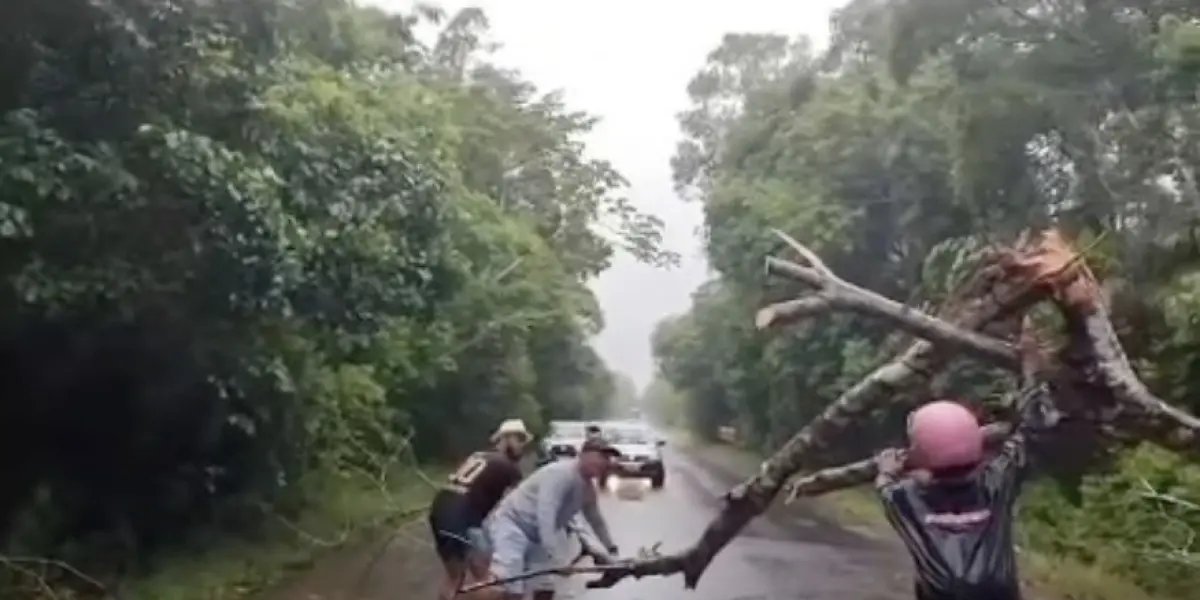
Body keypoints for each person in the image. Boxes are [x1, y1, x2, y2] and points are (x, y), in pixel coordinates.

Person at [875, 386, 1051, 600]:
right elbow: (1023, 440)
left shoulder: (905, 498)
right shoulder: (996, 483)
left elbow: (884, 485)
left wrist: (887, 469)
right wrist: (1015, 415)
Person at [478, 437, 621, 600]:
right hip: (513, 524)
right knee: (510, 584)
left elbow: (596, 521)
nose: (604, 462)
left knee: (545, 587)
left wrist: (611, 550)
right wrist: (556, 558)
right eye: (600, 456)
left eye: (607, 458)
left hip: (537, 535)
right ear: (584, 454)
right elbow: (546, 514)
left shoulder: (587, 488)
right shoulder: (561, 474)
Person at [428, 418, 531, 600]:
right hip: (461, 517)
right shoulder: (510, 468)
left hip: (440, 509)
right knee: (485, 579)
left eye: (523, 440)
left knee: (454, 577)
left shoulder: (478, 455)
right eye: (519, 439)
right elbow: (516, 507)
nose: (521, 446)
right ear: (506, 439)